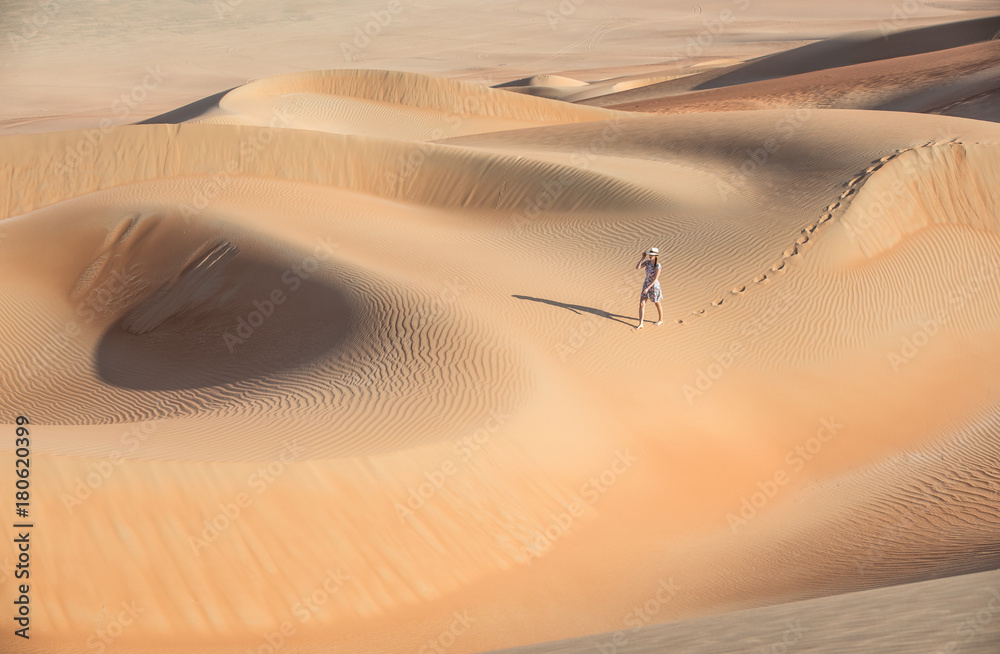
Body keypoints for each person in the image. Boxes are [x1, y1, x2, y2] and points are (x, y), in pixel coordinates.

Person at [634, 247, 663, 330]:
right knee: (641, 304)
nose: (650, 256)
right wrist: (642, 258)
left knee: (657, 303)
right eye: (650, 254)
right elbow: (637, 268)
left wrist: (648, 288)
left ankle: (660, 320)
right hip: (646, 284)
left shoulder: (658, 265)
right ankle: (641, 324)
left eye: (652, 255)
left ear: (656, 256)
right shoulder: (647, 262)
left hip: (654, 286)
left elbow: (655, 279)